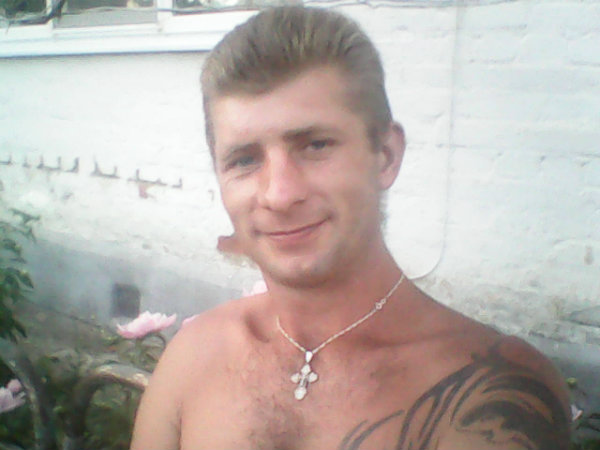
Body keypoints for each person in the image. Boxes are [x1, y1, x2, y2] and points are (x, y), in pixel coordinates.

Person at [131, 6, 571, 449]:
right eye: (245, 159)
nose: (279, 194)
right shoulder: (195, 355)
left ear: (386, 156)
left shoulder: (488, 391)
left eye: (315, 145)